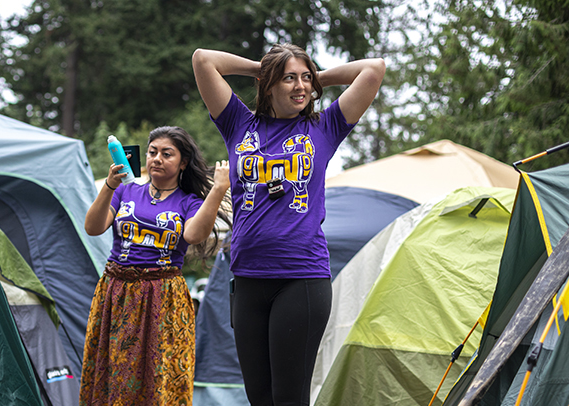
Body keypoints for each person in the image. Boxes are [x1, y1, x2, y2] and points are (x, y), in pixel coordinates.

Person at [192, 44, 385, 405]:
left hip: (301, 279)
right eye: (289, 79)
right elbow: (203, 59)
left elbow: (373, 69)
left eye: (305, 79)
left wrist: (316, 78)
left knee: (289, 399)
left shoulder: (323, 127)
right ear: (268, 85)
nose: (301, 87)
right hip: (248, 278)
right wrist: (262, 69)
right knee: (259, 398)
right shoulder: (238, 123)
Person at [81, 126, 230, 406]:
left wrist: (219, 189)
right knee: (115, 372)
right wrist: (109, 185)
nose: (156, 159)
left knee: (158, 375)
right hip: (117, 294)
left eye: (166, 154)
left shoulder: (189, 202)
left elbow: (194, 236)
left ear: (183, 162)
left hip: (162, 297)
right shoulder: (126, 190)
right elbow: (93, 227)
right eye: (152, 152)